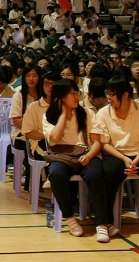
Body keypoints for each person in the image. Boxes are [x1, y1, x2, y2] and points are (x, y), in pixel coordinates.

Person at [43, 78, 112, 241]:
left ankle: (102, 224)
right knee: (55, 174)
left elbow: (96, 142)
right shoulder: (49, 116)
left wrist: (89, 156)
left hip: (87, 153)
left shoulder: (87, 113)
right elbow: (55, 138)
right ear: (61, 97)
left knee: (95, 174)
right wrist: (63, 115)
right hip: (62, 156)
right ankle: (70, 218)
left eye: (77, 93)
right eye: (72, 94)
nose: (77, 97)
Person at [95, 76, 139, 240]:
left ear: (125, 94)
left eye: (112, 94)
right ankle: (104, 223)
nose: (108, 97)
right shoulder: (103, 113)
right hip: (116, 154)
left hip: (138, 154)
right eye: (107, 93)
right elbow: (104, 143)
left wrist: (135, 160)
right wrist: (125, 159)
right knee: (107, 173)